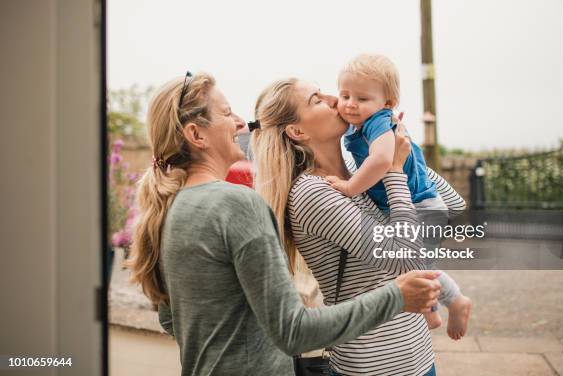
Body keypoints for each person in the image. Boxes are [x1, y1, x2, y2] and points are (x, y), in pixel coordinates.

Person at [126, 72, 442, 376]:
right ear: (196, 135)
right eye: (226, 113)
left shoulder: (172, 207)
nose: (240, 122)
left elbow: (172, 319)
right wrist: (397, 295)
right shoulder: (237, 204)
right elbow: (293, 331)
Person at [251, 77, 471, 376]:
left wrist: (403, 154)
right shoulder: (312, 193)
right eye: (316, 99)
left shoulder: (359, 172)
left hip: (417, 357)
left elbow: (453, 204)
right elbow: (409, 261)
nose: (333, 98)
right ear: (297, 131)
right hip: (372, 366)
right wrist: (393, 171)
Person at [326, 53, 472, 340]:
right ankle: (434, 309)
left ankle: (454, 302)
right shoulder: (368, 123)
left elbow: (382, 161)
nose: (350, 104)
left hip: (421, 205)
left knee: (415, 261)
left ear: (387, 103)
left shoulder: (378, 122)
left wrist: (349, 187)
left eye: (362, 98)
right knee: (417, 262)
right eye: (344, 95)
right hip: (414, 203)